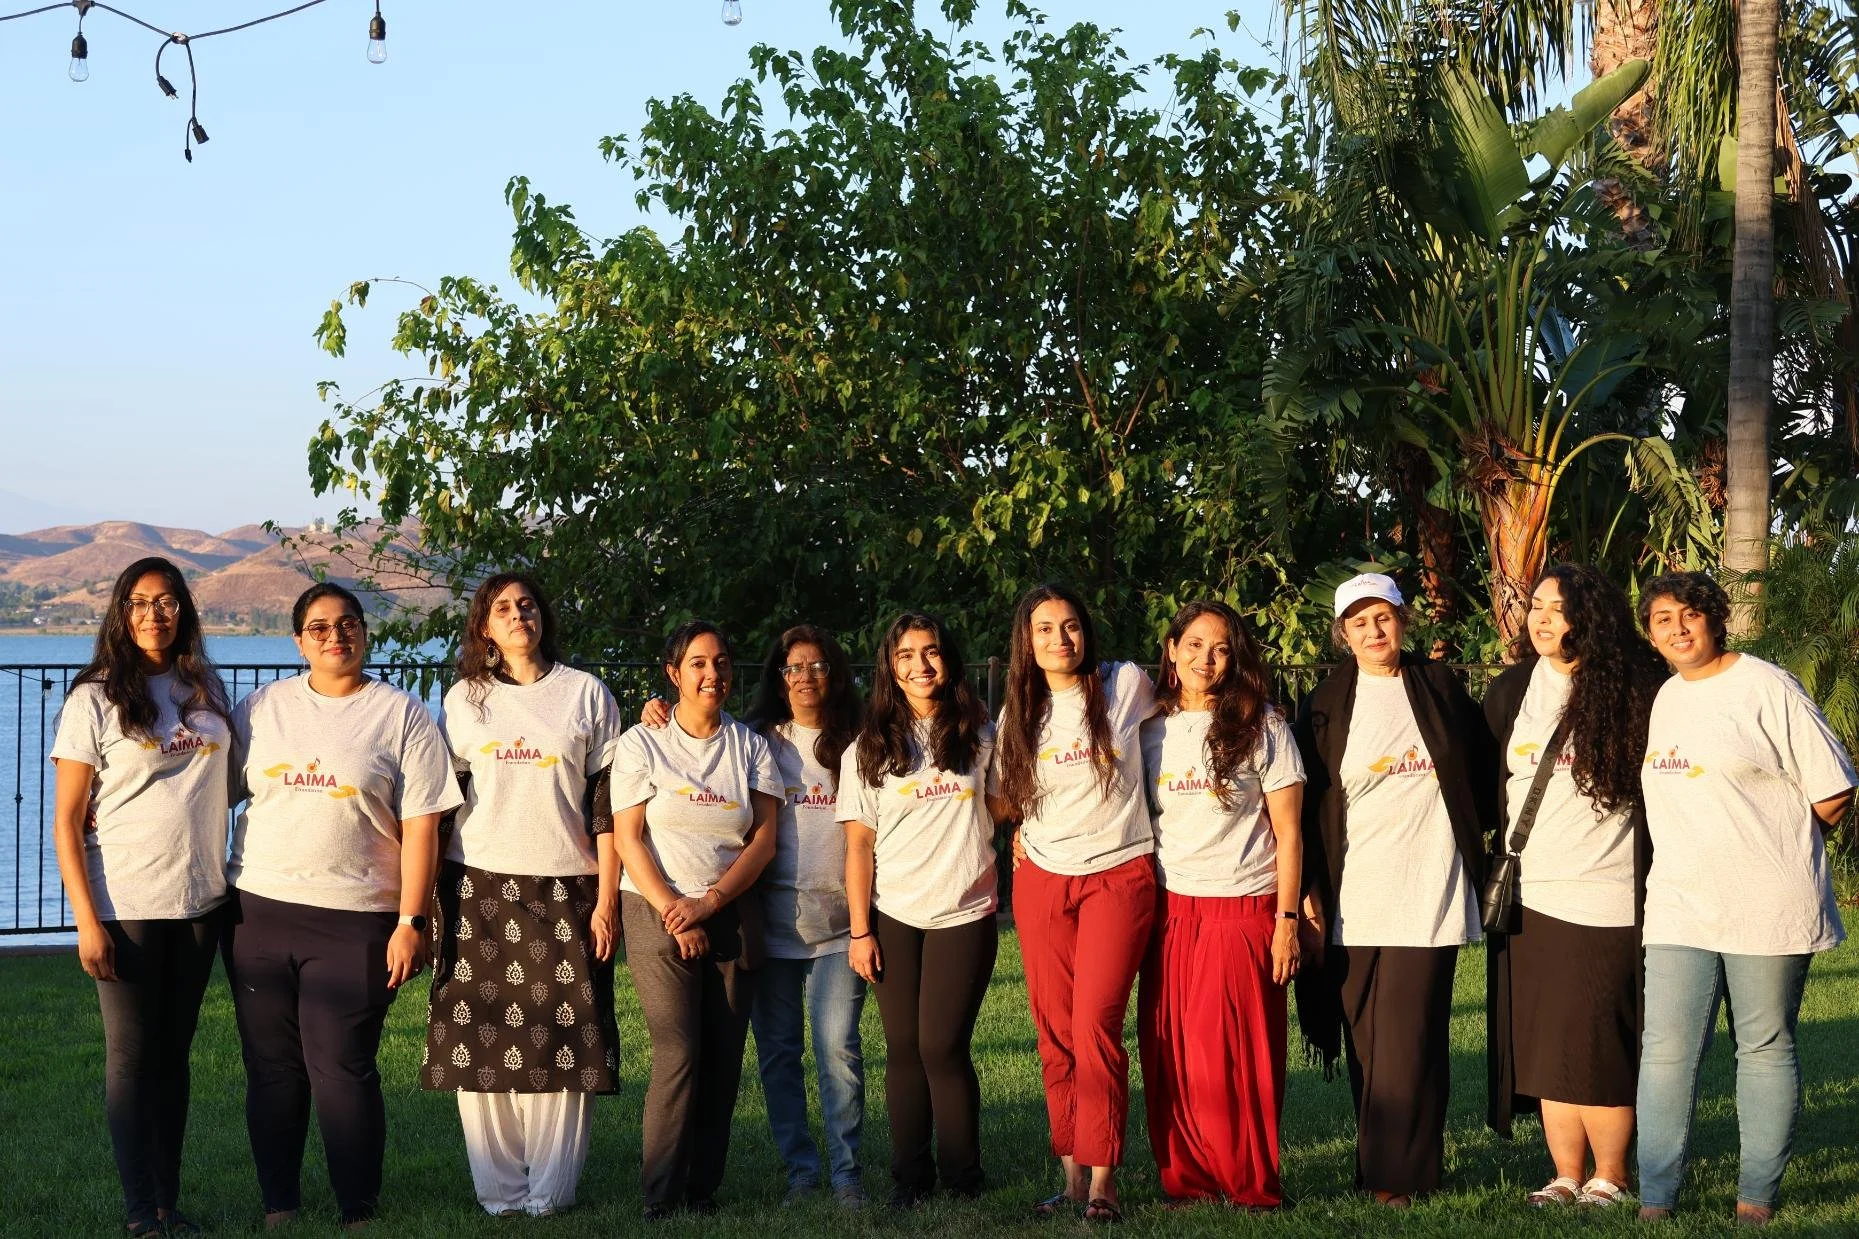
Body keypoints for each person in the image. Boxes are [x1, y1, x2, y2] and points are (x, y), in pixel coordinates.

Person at [223, 582, 463, 1230]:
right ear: (299, 642)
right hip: (258, 910)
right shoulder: (261, 709)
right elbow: (206, 789)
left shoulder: (401, 715)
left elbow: (423, 827)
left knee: (340, 1065)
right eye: (320, 627)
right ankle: (280, 1205)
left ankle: (358, 1209)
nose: (336, 635)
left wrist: (411, 921)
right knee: (271, 1069)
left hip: (357, 915)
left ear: (364, 632)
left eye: (348, 623)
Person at [1633, 572, 1855, 1226]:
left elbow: (1834, 789)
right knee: (1665, 1050)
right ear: (1651, 635)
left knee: (1762, 1046)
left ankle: (1755, 1198)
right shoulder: (1666, 697)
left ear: (1714, 618)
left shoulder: (1766, 686)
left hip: (1767, 904)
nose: (1677, 628)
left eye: (1689, 614)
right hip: (1679, 903)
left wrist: (1777, 845)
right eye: (1662, 619)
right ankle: (1655, 1199)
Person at [422, 573, 623, 1217]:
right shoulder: (463, 700)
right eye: (502, 608)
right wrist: (426, 900)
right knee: (478, 1043)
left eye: (527, 604)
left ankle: (550, 1194)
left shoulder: (586, 694)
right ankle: (500, 1193)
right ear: (485, 627)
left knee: (565, 1042)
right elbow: (445, 804)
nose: (517, 615)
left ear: (543, 617)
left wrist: (609, 899)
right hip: (476, 884)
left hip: (569, 887)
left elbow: (608, 806)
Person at [1293, 572, 1493, 1207]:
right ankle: (1384, 1164)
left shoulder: (1441, 689)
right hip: (1352, 892)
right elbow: (1307, 807)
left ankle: (1395, 1181)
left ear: (1403, 620)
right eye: (1359, 623)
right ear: (1343, 634)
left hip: (1429, 883)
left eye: (1383, 617)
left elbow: (1485, 772)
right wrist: (1308, 891)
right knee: (1367, 1041)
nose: (1373, 631)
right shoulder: (1323, 704)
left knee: (1409, 1038)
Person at [50, 557, 233, 1238]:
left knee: (173, 1056)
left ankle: (166, 1202)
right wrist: (86, 922)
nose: (153, 614)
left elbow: (227, 782)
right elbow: (67, 819)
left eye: (165, 602)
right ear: (120, 613)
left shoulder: (204, 685)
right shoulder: (94, 697)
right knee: (130, 1058)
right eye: (138, 602)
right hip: (125, 901)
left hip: (201, 899)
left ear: (183, 609)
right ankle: (139, 1213)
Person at [1481, 564, 1664, 1209]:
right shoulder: (1513, 689)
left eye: (1556, 609)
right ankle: (1565, 1173)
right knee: (1546, 1040)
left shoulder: (1638, 688)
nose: (1541, 619)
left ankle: (1611, 1175)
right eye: (1536, 605)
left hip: (1608, 895)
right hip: (1532, 896)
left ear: (1590, 616)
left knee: (1600, 1040)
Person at [608, 620, 784, 1221]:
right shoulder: (642, 743)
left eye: (722, 662)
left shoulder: (750, 746)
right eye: (699, 664)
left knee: (723, 1055)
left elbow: (763, 840)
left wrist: (710, 903)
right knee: (678, 1049)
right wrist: (675, 913)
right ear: (673, 673)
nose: (714, 674)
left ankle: (701, 1190)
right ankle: (660, 1196)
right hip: (654, 906)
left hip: (729, 906)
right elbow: (628, 839)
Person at [992, 584, 1156, 1224]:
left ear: (1086, 631)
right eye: (1044, 629)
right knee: (1055, 1031)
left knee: (1095, 1026)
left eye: (1070, 626)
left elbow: (1194, 705)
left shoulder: (1124, 686)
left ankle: (1104, 1182)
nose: (1060, 639)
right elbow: (1004, 798)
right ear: (1026, 643)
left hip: (1118, 873)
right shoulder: (1018, 712)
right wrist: (1020, 835)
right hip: (1042, 879)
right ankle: (1070, 1176)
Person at [1136, 600, 1305, 1209]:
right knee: (1171, 1050)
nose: (1206, 659)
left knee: (1236, 1052)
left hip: (1242, 906)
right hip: (1170, 909)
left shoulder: (1263, 726)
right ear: (1172, 649)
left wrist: (1286, 921)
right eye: (1195, 644)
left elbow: (1290, 831)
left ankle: (1249, 1180)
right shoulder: (1147, 731)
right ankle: (1188, 1179)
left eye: (1222, 648)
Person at [840, 611, 999, 1209]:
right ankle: (910, 1179)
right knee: (903, 1049)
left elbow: (1006, 806)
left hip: (965, 909)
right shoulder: (868, 747)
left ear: (948, 659)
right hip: (894, 914)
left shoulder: (980, 735)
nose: (920, 665)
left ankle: (963, 1177)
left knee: (940, 1045)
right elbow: (859, 845)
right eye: (905, 655)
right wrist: (861, 931)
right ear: (890, 667)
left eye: (930, 651)